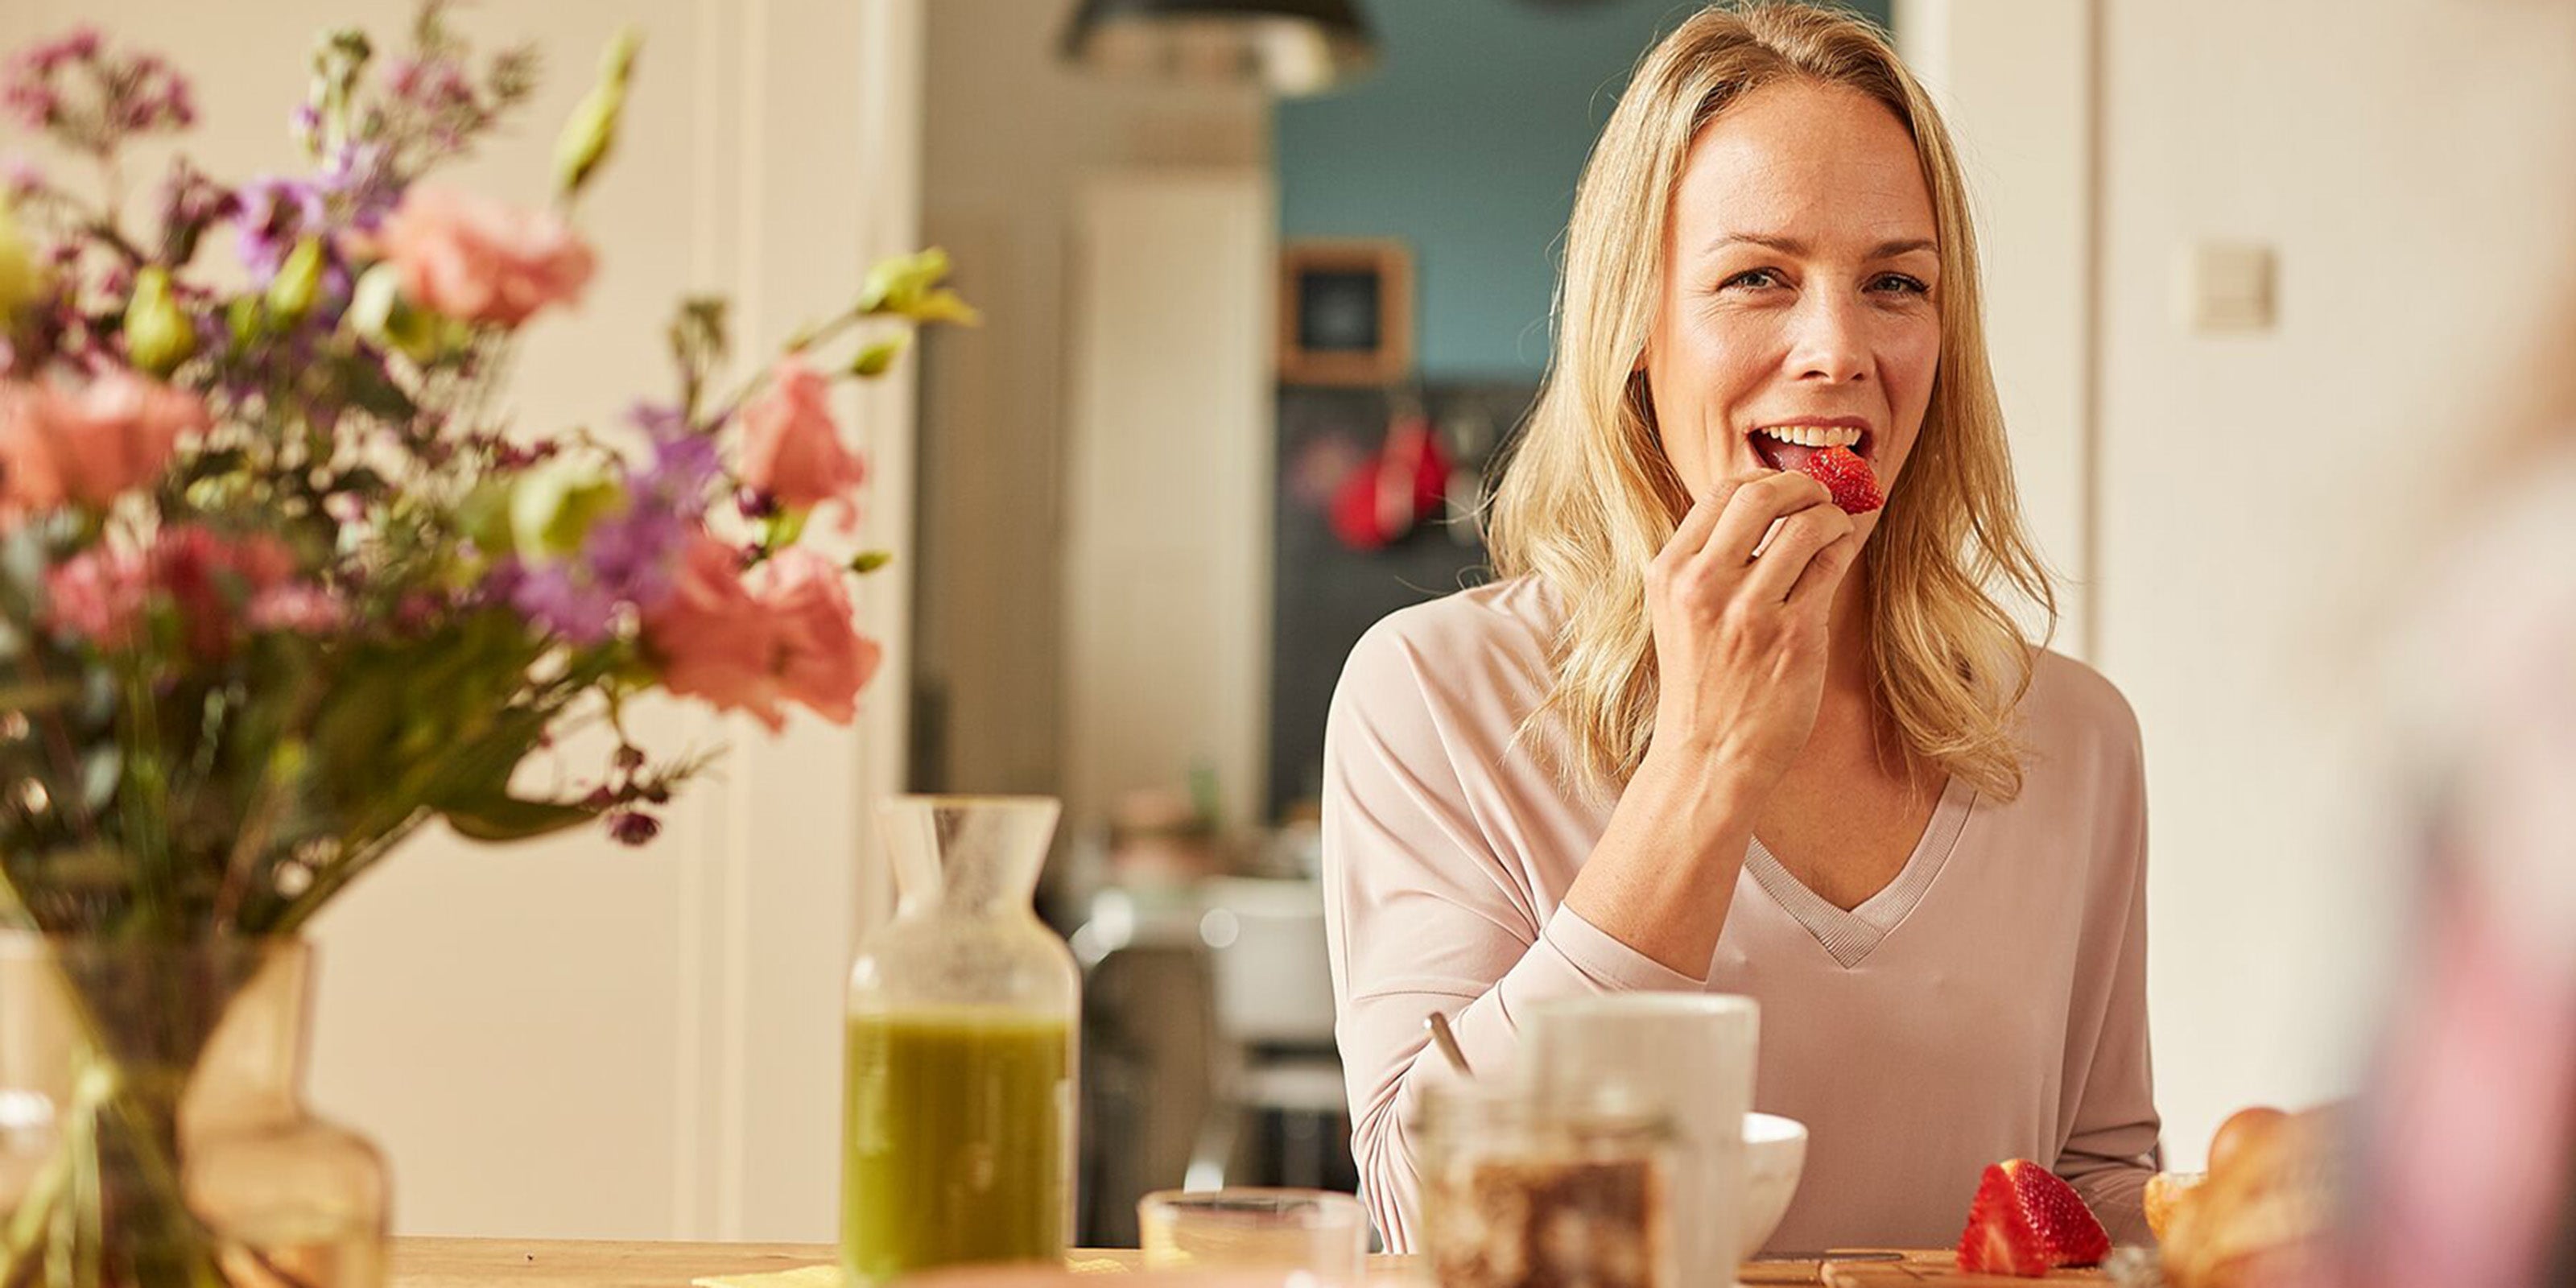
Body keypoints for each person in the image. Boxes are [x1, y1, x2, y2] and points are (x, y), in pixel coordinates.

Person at [1319, 0, 2157, 1253]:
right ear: (1637, 335)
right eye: (1759, 277)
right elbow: (1423, 1215)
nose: (1838, 349)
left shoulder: (2074, 737)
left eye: (1895, 284)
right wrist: (1705, 761)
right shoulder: (1433, 696)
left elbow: (2098, 1203)